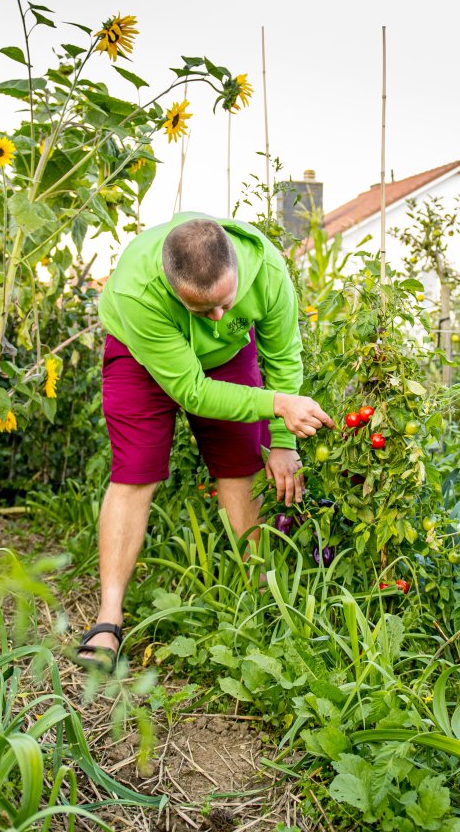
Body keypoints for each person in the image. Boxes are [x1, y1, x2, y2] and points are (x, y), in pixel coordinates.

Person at [75, 213, 334, 671]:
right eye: (201, 310)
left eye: (225, 304)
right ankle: (108, 617)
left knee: (240, 466)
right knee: (134, 473)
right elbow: (192, 391)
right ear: (173, 288)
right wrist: (275, 405)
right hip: (144, 353)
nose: (217, 317)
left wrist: (281, 442)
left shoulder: (268, 271)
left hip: (228, 358)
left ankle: (262, 601)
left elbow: (283, 357)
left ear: (236, 268)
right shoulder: (139, 290)